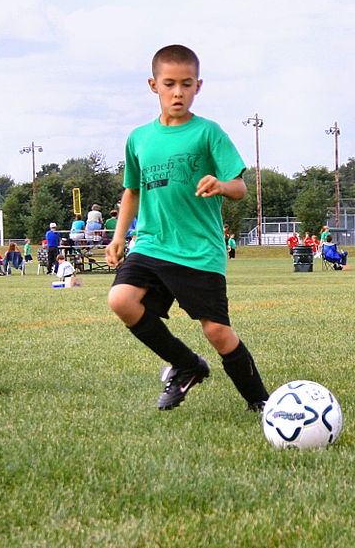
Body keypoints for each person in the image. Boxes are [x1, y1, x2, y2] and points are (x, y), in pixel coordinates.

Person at [105, 44, 269, 413]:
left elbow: (240, 188)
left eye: (186, 84)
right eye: (169, 84)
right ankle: (187, 365)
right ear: (153, 85)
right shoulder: (139, 138)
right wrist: (119, 237)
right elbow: (132, 191)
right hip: (151, 243)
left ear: (198, 86)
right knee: (121, 300)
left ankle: (260, 401)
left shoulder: (208, 133)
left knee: (216, 332)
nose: (177, 92)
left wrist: (221, 185)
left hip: (198, 249)